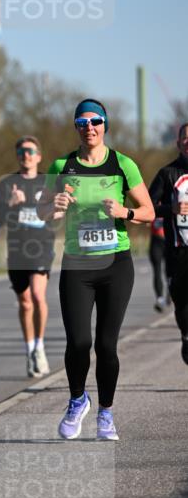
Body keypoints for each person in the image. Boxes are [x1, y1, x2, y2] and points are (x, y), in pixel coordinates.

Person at [38, 99, 154, 441]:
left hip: (116, 264)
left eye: (96, 121)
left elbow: (148, 211)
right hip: (77, 263)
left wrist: (125, 212)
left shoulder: (123, 164)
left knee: (106, 344)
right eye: (82, 122)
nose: (90, 127)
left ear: (105, 125)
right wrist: (54, 206)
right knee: (78, 341)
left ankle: (106, 413)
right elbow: (43, 213)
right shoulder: (62, 165)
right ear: (75, 127)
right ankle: (77, 400)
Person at [0, 136, 55, 378]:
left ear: (38, 156)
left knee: (38, 296)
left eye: (30, 151)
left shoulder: (47, 182)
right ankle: (30, 349)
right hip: (17, 250)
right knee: (25, 302)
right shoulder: (8, 183)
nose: (25, 155)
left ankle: (40, 346)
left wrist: (55, 210)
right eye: (21, 152)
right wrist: (10, 203)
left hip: (41, 247)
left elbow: (58, 213)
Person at [149, 122, 188, 364]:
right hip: (178, 252)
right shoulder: (167, 174)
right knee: (182, 301)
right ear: (178, 143)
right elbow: (147, 208)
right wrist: (170, 209)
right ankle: (186, 334)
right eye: (185, 138)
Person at [148, 216, 169, 312]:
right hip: (156, 241)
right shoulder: (153, 203)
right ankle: (159, 298)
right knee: (157, 270)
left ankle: (170, 293)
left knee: (170, 271)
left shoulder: (172, 202)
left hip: (169, 241)